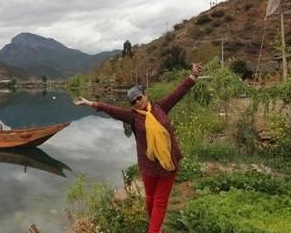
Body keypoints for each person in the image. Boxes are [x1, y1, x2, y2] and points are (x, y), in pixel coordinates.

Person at [73, 63, 202, 233]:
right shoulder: (132, 117)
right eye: (133, 101)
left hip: (167, 161)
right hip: (148, 163)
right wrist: (91, 103)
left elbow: (178, 93)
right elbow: (111, 109)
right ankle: (156, 227)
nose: (137, 102)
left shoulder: (160, 107)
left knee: (160, 201)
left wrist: (193, 76)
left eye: (139, 98)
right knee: (150, 198)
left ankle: (154, 230)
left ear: (145, 95)